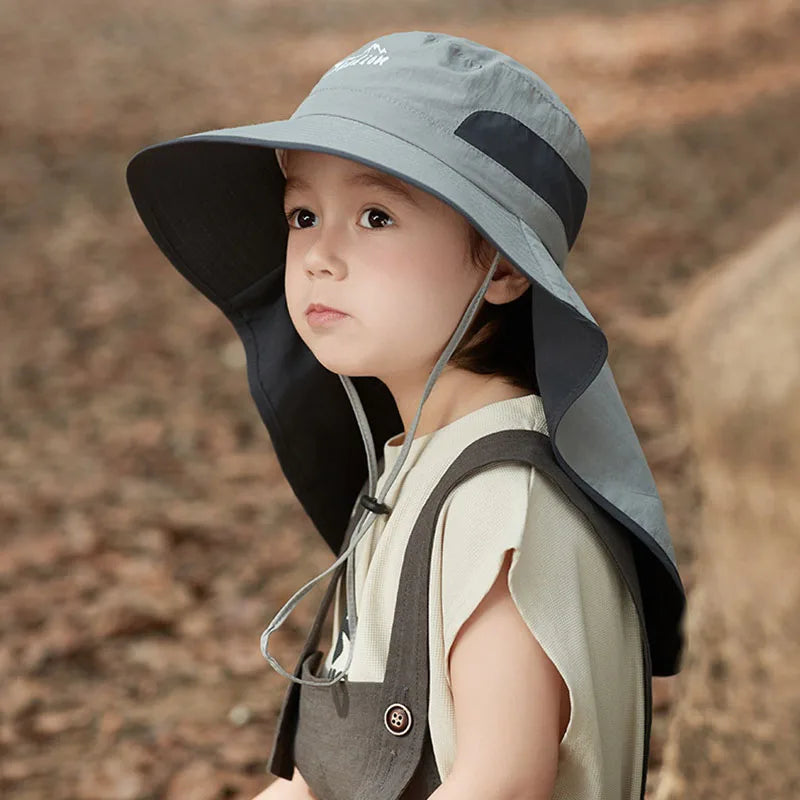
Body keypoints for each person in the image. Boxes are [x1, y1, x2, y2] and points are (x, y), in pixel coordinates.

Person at [125, 31, 686, 800]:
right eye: (302, 216)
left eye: (376, 217)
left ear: (504, 265)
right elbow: (335, 777)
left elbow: (499, 782)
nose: (319, 255)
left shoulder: (502, 503)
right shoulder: (413, 469)